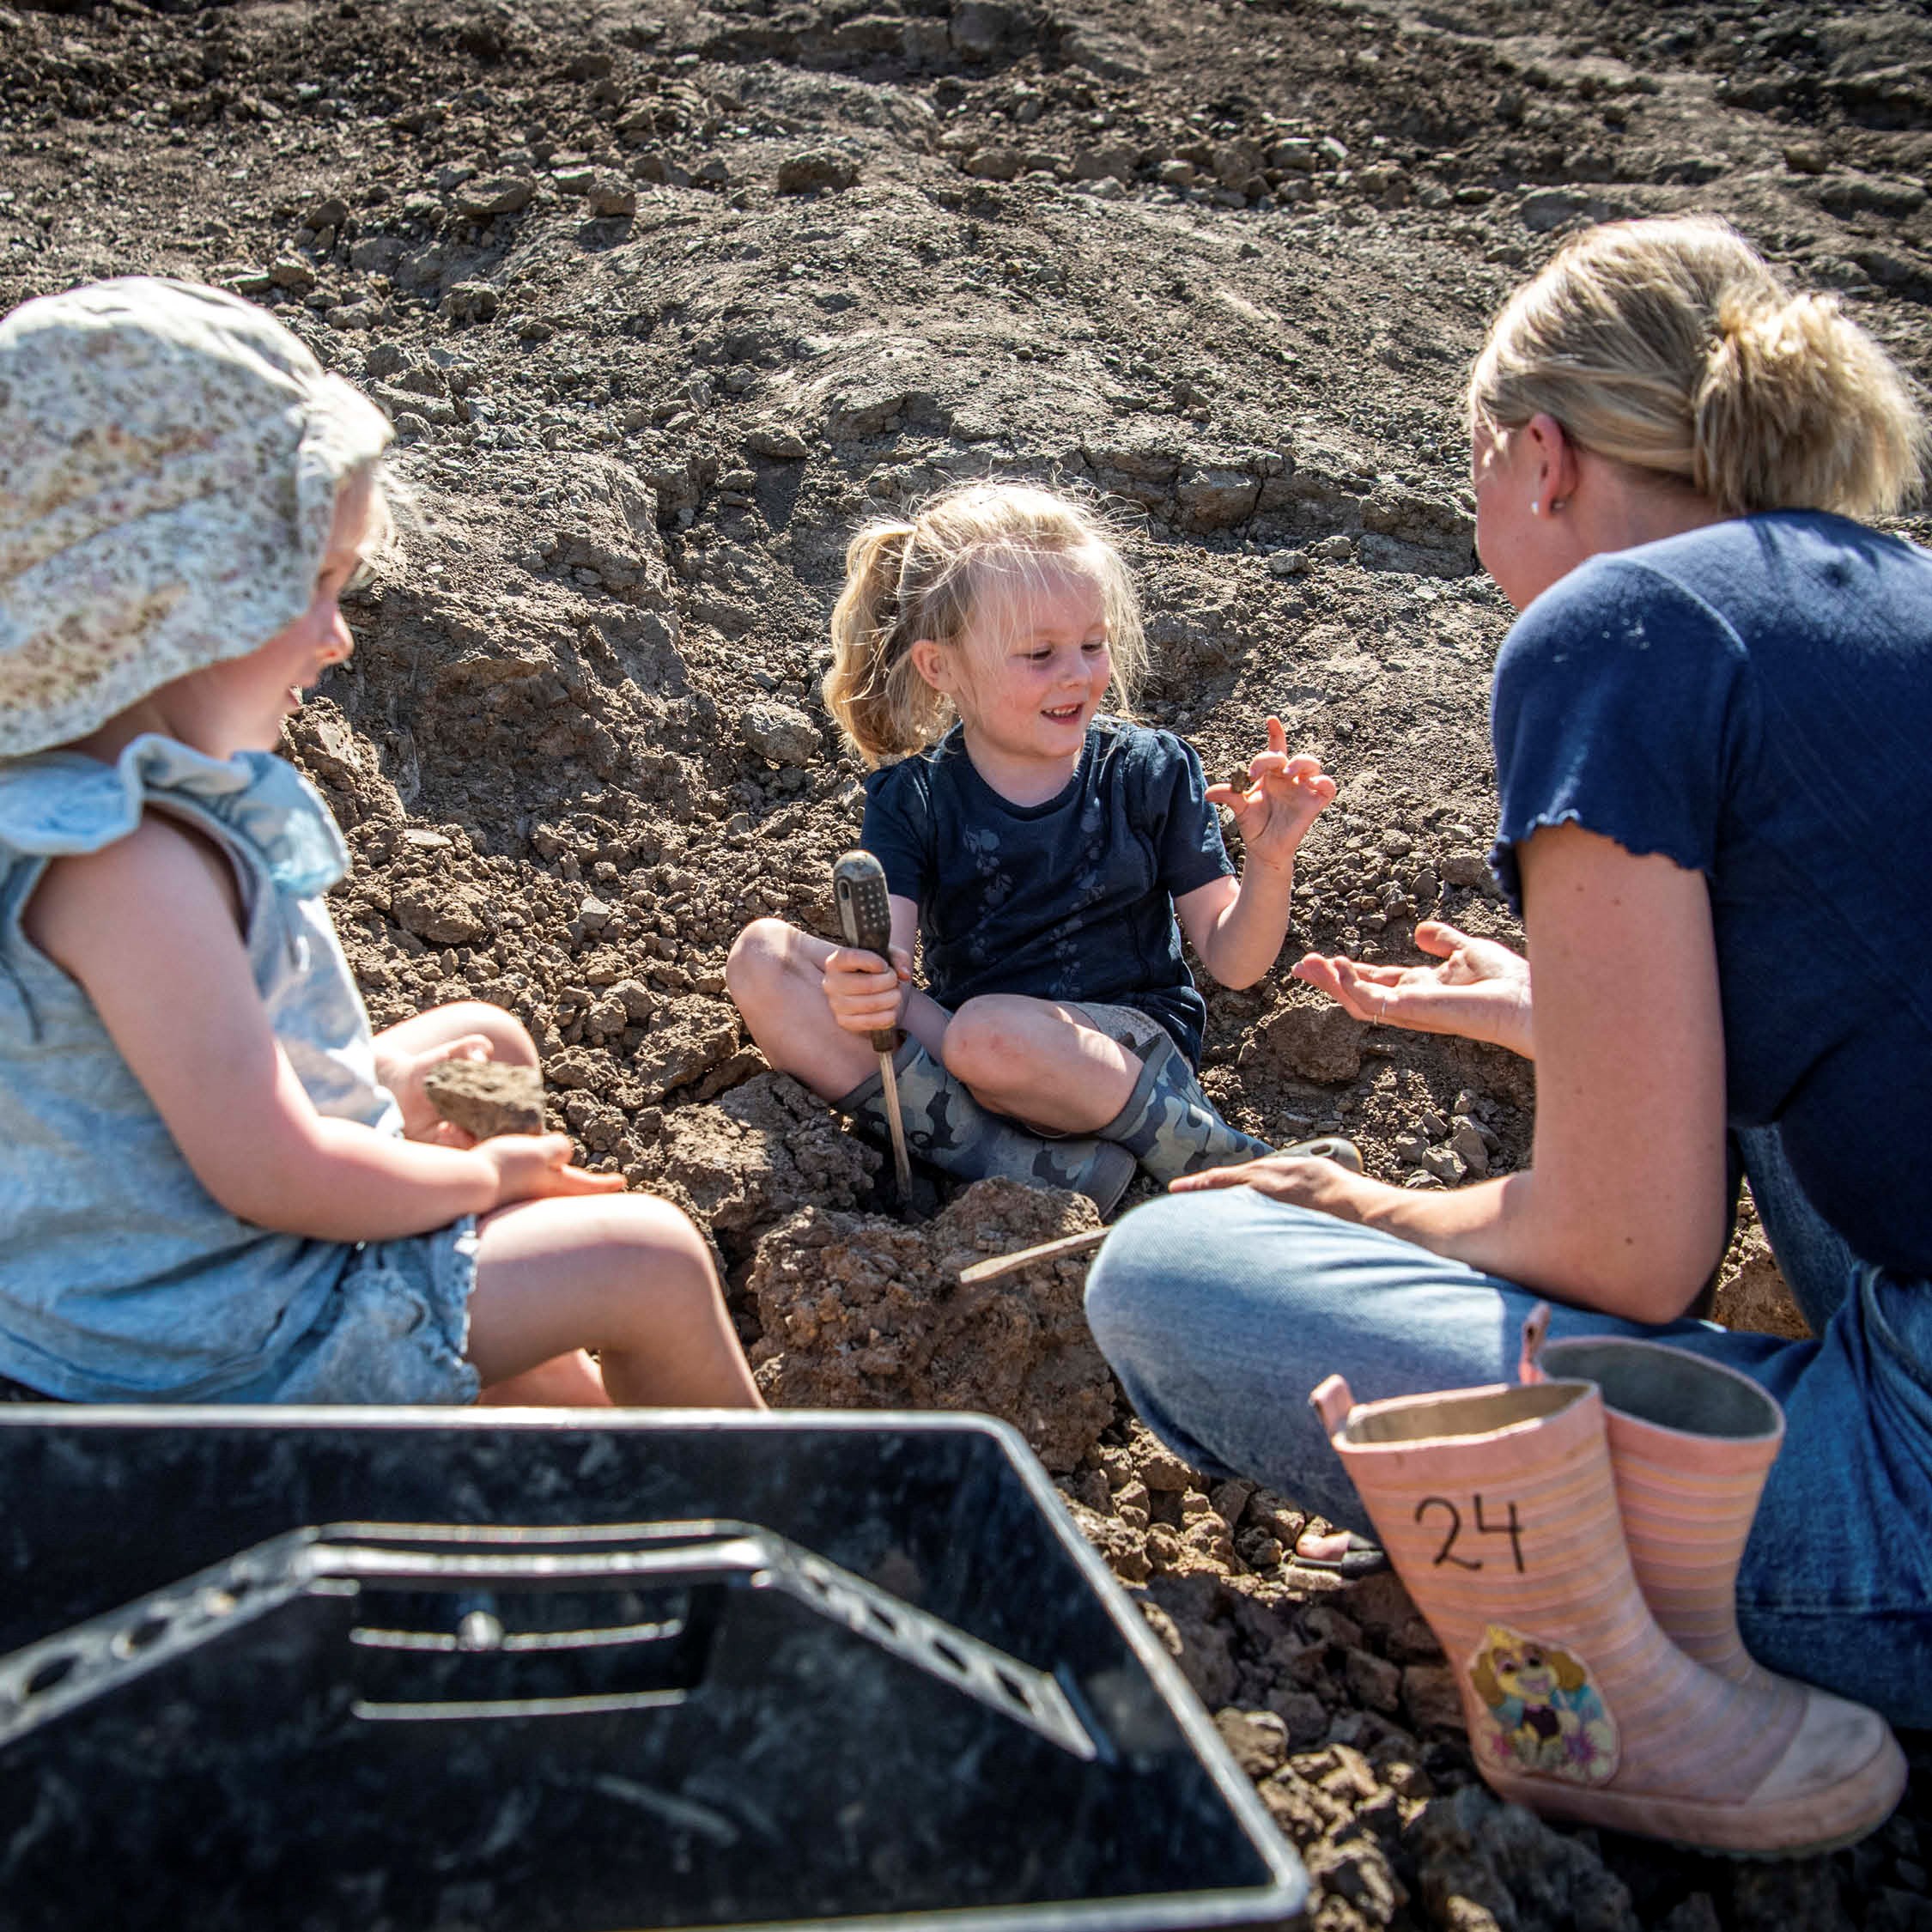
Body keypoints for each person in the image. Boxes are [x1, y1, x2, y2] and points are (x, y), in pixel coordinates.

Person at [1086, 215, 1932, 1741]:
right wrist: (1572, 1016)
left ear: (1540, 458)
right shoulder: (1889, 584)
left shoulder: (1615, 628)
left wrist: (1356, 1204)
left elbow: (1631, 1254)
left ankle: (1614, 1615)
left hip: (1917, 1514)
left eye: (1470, 464)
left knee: (1167, 1278)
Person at [0, 276, 762, 1412]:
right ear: (166, 605)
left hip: (156, 1248)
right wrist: (478, 1177)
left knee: (479, 1043)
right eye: (310, 587)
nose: (337, 636)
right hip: (214, 1335)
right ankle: (762, 1505)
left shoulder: (81, 807)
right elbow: (271, 1171)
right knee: (642, 1259)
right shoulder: (132, 870)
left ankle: (525, 1399)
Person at [726, 481, 1339, 1212]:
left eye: (1092, 644)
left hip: (1126, 1057)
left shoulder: (1149, 771)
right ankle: (1037, 1167)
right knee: (763, 960)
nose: (1077, 673)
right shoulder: (913, 797)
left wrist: (1269, 861)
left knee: (988, 1035)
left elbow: (1236, 964)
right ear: (940, 667)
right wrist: (862, 984)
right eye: (1040, 653)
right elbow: (889, 966)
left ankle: (1229, 1161)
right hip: (974, 1058)